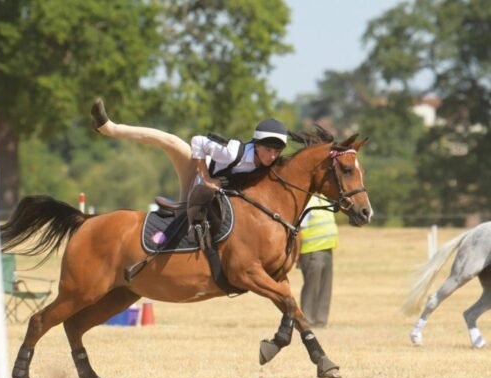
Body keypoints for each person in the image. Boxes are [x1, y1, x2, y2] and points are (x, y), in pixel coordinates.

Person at [91, 99, 289, 203]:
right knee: (171, 141)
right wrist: (206, 177)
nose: (272, 156)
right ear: (256, 145)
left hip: (220, 196)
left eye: (277, 151)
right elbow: (198, 141)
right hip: (196, 179)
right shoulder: (232, 152)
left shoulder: (272, 165)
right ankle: (110, 128)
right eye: (268, 150)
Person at [298, 195, 339, 328]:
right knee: (312, 287)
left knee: (325, 287)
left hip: (327, 249)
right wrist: (297, 253)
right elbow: (299, 229)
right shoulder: (307, 201)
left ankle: (321, 321)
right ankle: (307, 320)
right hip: (312, 251)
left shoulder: (325, 199)